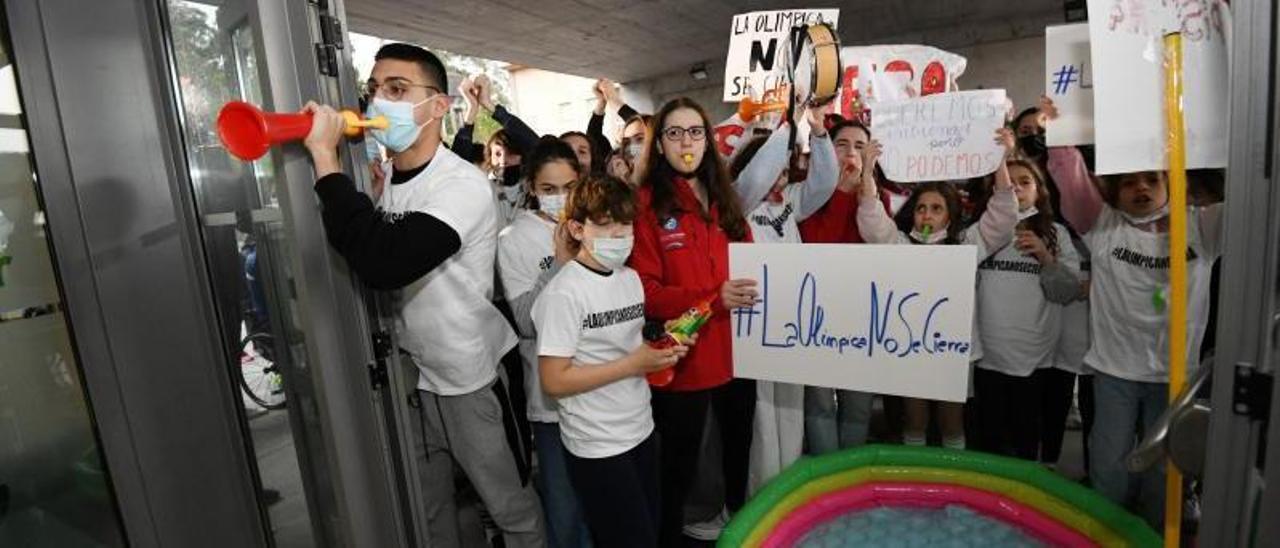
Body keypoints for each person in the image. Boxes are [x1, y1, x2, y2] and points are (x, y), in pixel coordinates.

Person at [302, 43, 544, 547]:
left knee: (508, 507)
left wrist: (325, 160)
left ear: (438, 106)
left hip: (467, 382)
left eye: (396, 89)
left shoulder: (462, 186)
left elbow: (385, 262)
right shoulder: (388, 177)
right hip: (410, 378)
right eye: (374, 91)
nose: (378, 103)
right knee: (429, 510)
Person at [628, 97, 757, 544]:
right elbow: (647, 293)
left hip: (741, 355)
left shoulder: (726, 198)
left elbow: (752, 263)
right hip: (685, 361)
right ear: (659, 145)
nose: (687, 141)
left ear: (708, 139)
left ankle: (741, 533)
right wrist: (712, 298)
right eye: (675, 133)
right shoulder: (645, 205)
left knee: (738, 457)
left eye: (695, 131)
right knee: (677, 471)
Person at [533, 175, 686, 548]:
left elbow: (629, 347)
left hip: (640, 429)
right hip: (597, 444)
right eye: (605, 224)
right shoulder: (564, 293)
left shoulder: (630, 278)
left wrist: (669, 343)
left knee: (650, 531)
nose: (618, 234)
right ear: (577, 228)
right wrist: (634, 364)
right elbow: (553, 380)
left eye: (625, 223)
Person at [856, 128, 1019, 451]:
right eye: (921, 208)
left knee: (951, 421)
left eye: (936, 208)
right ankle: (917, 489)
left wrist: (1000, 161)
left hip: (955, 351)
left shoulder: (968, 244)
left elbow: (1002, 215)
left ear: (950, 216)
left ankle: (952, 487)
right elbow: (873, 218)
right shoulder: (900, 245)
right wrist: (867, 168)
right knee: (914, 420)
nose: (927, 214)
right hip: (913, 348)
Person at [727, 107, 837, 492]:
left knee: (791, 404)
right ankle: (762, 489)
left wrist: (820, 136)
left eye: (786, 172)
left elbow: (824, 184)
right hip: (752, 322)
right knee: (762, 411)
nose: (780, 178)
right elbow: (756, 175)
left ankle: (788, 484)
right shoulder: (740, 202)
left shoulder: (790, 201)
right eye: (775, 170)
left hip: (792, 319)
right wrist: (789, 123)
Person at [497, 137, 592, 548]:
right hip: (552, 401)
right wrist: (558, 262)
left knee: (601, 500)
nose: (560, 198)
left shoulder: (595, 225)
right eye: (549, 190)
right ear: (532, 188)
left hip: (600, 388)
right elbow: (524, 322)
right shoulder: (514, 240)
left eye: (569, 188)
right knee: (565, 506)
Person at [971, 159, 1082, 460]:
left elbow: (1068, 292)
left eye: (1025, 182)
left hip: (1036, 359)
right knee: (989, 440)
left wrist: (1047, 258)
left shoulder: (1057, 234)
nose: (1017, 188)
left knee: (1026, 439)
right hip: (987, 358)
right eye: (1009, 182)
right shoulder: (980, 234)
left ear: (1040, 191)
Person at [796, 118, 890, 452]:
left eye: (860, 146)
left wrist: (862, 193)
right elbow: (817, 248)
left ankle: (850, 472)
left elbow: (881, 244)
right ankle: (825, 473)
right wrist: (839, 195)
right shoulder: (806, 196)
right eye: (842, 145)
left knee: (859, 403)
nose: (851, 152)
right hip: (816, 314)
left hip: (863, 313)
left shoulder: (880, 199)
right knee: (820, 400)